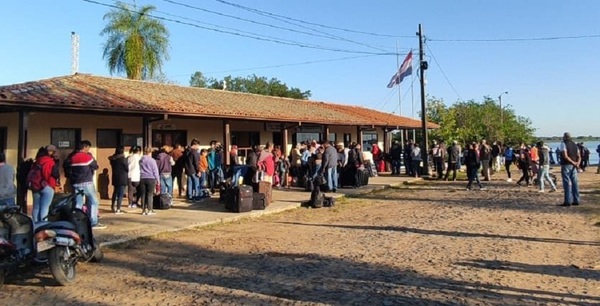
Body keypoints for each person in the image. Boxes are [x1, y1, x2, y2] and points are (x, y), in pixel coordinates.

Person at [64, 140, 104, 229]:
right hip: (87, 182)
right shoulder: (87, 157)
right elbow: (95, 166)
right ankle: (93, 222)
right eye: (88, 147)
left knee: (78, 202)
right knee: (93, 201)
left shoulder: (73, 157)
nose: (88, 149)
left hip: (76, 183)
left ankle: (77, 220)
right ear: (85, 147)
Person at [559, 132, 581, 207]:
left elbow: (565, 155)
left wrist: (573, 162)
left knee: (567, 183)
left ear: (564, 137)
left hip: (566, 165)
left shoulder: (563, 144)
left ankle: (567, 201)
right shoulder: (575, 144)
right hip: (574, 165)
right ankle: (576, 200)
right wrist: (577, 163)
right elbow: (579, 155)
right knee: (574, 182)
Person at [139, 147, 160, 215]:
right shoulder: (152, 160)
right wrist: (158, 179)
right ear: (150, 153)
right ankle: (150, 209)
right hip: (151, 178)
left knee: (143, 194)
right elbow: (155, 171)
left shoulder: (141, 160)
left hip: (142, 178)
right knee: (150, 194)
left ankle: (143, 210)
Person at [109, 146, 128, 214]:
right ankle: (118, 209)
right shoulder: (123, 159)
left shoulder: (113, 159)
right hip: (122, 177)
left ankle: (113, 206)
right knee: (120, 193)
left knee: (115, 192)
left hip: (115, 177)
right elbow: (127, 168)